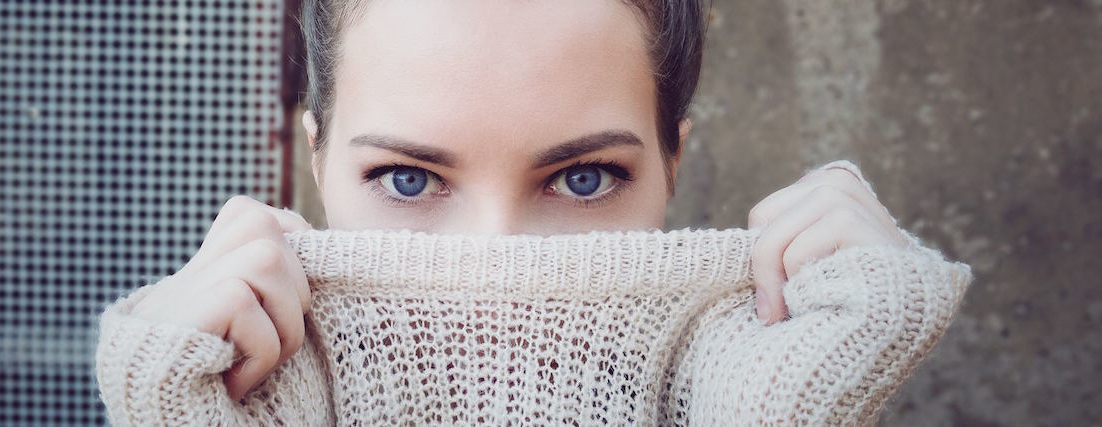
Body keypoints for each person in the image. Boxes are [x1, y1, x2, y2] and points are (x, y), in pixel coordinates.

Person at [126, 0, 911, 405]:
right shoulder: (239, 398)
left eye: (582, 179)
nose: (496, 277)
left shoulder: (758, 397)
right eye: (408, 179)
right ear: (317, 158)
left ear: (672, 161)